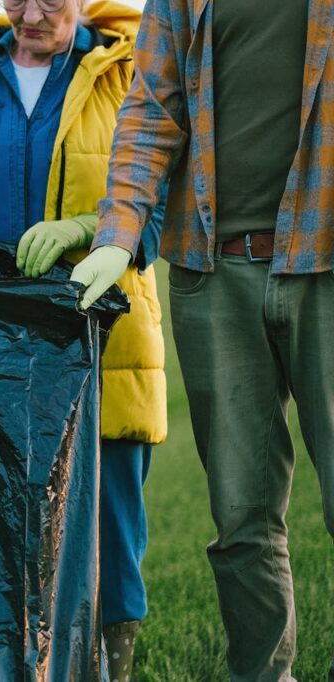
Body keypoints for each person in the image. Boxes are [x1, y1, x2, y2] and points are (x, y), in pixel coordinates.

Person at [73, 0, 332, 678]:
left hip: (327, 263)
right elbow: (151, 111)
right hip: (214, 269)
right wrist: (119, 233)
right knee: (242, 514)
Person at [0, 0, 166, 677]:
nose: (29, 12)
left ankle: (108, 666)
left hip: (100, 341)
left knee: (109, 525)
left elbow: (159, 212)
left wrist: (87, 229)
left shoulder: (125, 69)